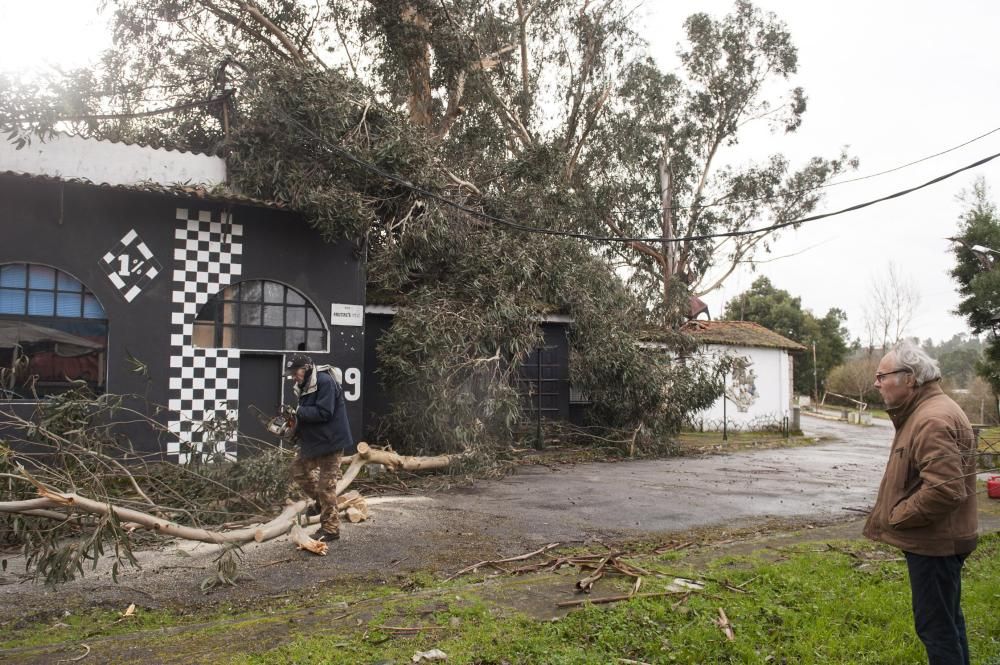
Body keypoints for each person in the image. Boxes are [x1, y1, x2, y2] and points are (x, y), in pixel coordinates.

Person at [863, 340, 978, 665]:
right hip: (939, 539)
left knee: (936, 629)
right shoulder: (927, 410)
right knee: (949, 621)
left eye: (881, 375)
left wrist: (897, 516)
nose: (877, 383)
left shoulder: (930, 419)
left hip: (935, 543)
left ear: (909, 378)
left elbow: (945, 490)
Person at [286, 353, 354, 543]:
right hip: (315, 441)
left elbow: (324, 412)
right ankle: (320, 503)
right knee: (297, 470)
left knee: (326, 487)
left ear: (306, 369)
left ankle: (331, 529)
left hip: (331, 442)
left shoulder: (324, 382)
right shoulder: (303, 385)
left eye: (295, 372)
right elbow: (306, 417)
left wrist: (297, 411)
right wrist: (293, 429)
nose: (293, 376)